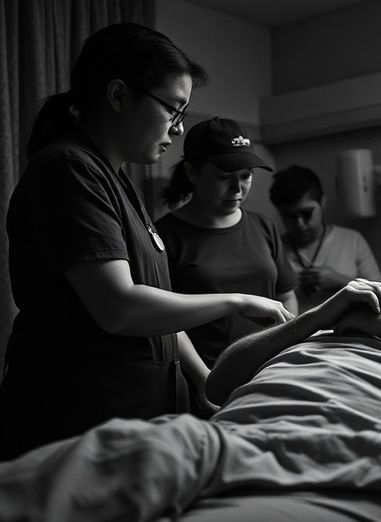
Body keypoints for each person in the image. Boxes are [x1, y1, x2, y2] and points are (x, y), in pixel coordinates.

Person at [0, 203, 381, 522]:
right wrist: (316, 317)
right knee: (62, 477)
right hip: (225, 438)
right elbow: (223, 381)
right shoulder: (344, 312)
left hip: (345, 456)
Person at [0, 23, 292, 461]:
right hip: (79, 419)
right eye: (173, 110)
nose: (176, 130)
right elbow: (120, 308)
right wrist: (238, 302)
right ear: (118, 96)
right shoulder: (68, 169)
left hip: (140, 418)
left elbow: (160, 312)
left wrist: (202, 379)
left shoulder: (118, 183)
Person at [155, 117, 298, 416]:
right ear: (192, 172)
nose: (237, 188)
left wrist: (288, 356)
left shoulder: (262, 226)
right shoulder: (165, 235)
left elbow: (285, 297)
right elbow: (164, 320)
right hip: (204, 382)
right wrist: (206, 380)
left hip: (268, 373)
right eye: (224, 177)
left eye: (246, 176)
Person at [269, 164, 381, 312]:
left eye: (307, 213)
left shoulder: (352, 240)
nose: (300, 224)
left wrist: (340, 281)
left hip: (349, 331)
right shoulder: (273, 249)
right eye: (290, 216)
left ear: (322, 203)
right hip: (299, 333)